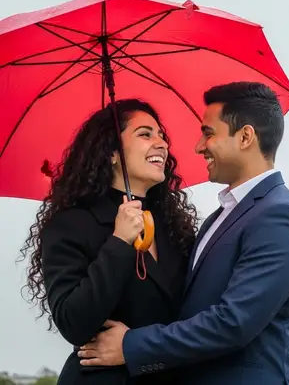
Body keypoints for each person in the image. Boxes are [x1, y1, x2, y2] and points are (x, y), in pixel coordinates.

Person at [79, 82, 289, 385]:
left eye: (208, 133)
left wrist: (130, 345)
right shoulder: (220, 217)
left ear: (245, 137)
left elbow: (233, 323)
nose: (198, 146)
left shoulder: (279, 216)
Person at [19, 99, 198, 384]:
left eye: (161, 135)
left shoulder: (175, 228)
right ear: (112, 152)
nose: (161, 143)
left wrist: (136, 346)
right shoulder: (72, 224)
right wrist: (119, 241)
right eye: (145, 134)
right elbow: (73, 322)